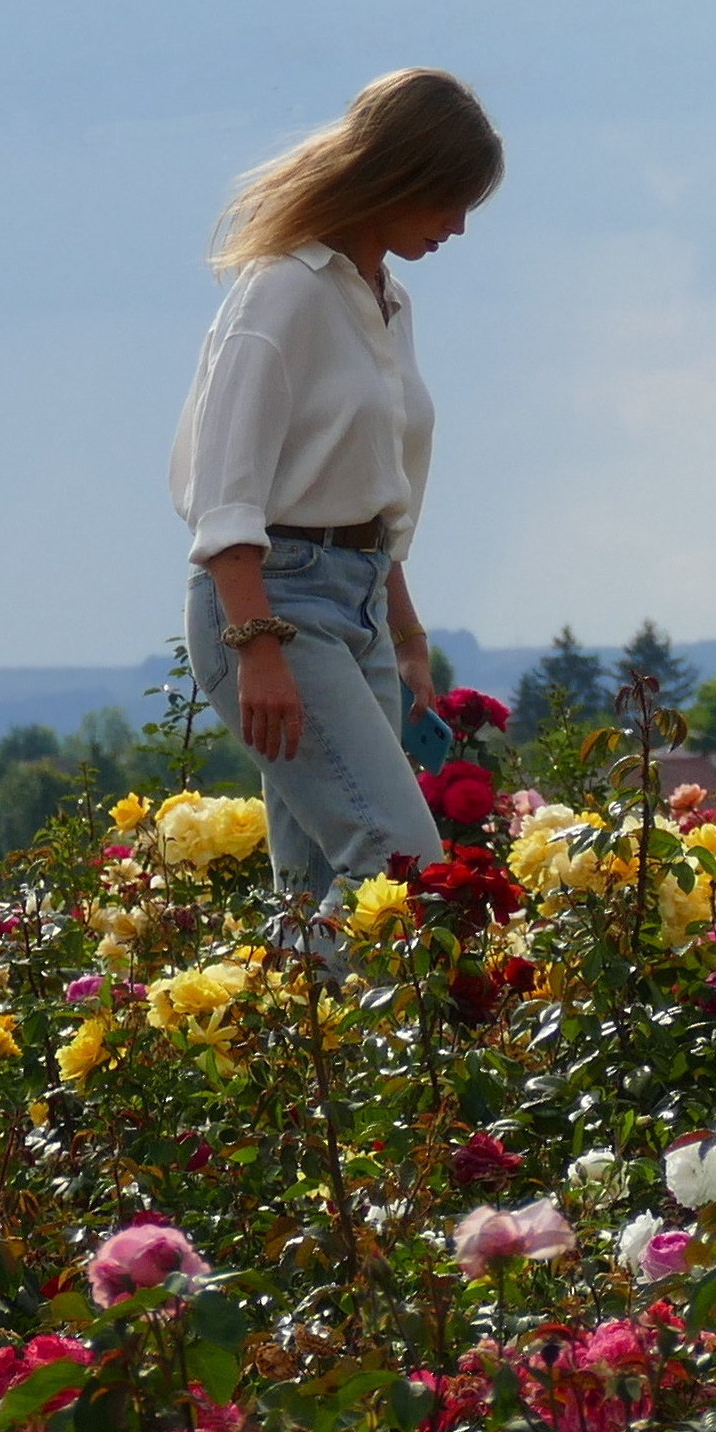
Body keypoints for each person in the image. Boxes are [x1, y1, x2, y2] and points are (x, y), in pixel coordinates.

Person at [171, 67, 500, 917]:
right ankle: (319, 998)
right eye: (448, 199)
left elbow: (369, 495)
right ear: (398, 174)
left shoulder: (388, 302)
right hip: (272, 604)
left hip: (358, 607)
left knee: (312, 888)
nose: (459, 226)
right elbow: (225, 490)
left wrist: (407, 635)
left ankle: (287, 1004)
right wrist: (256, 646)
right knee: (401, 873)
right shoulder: (284, 291)